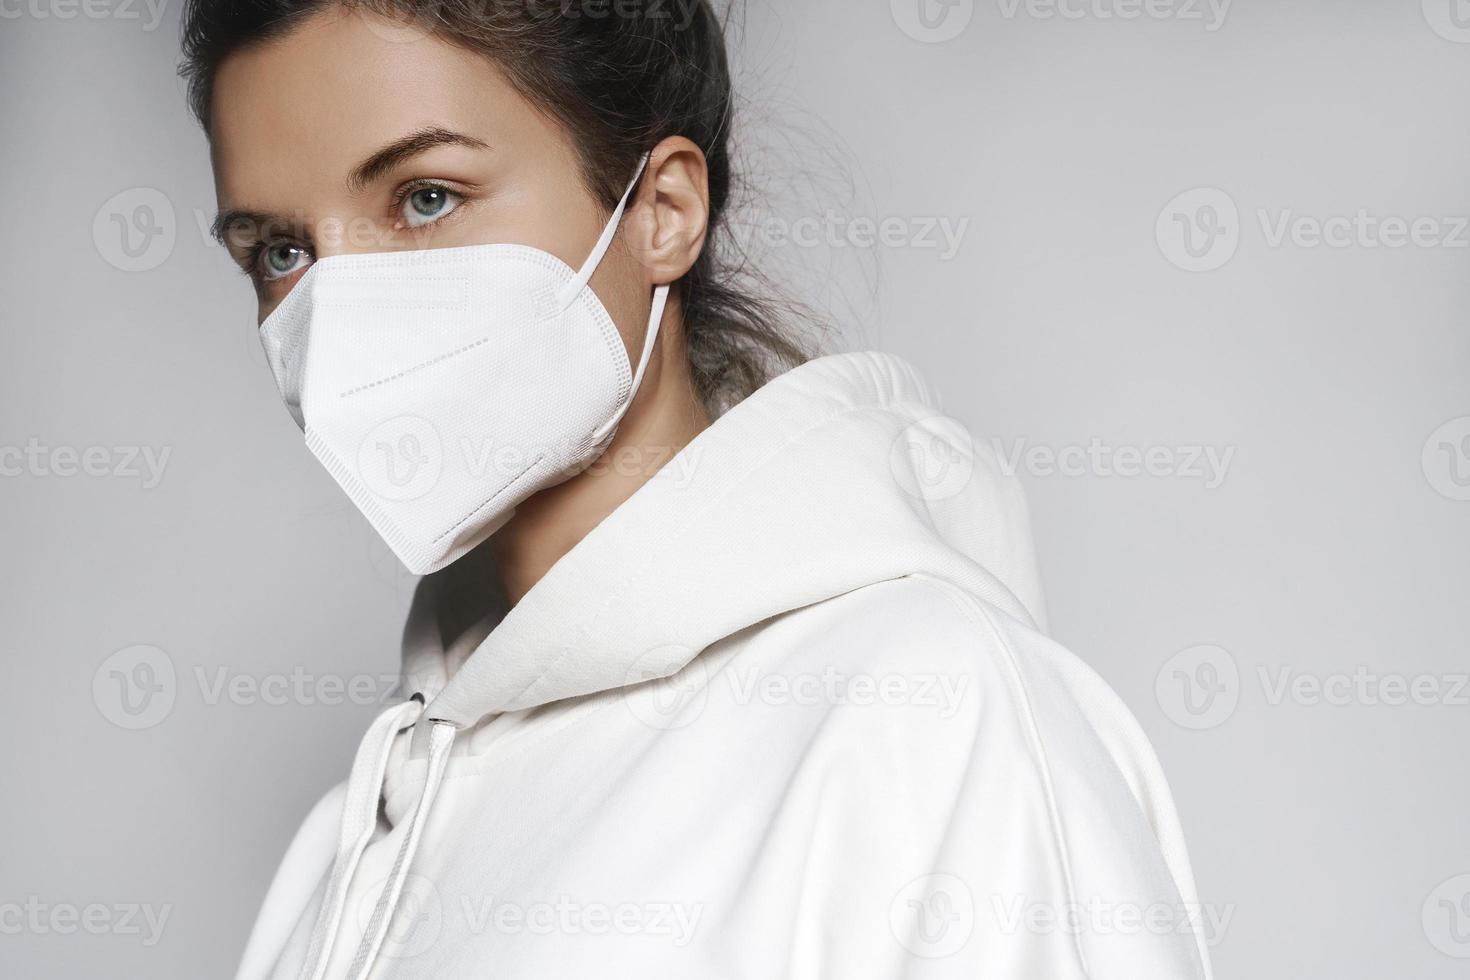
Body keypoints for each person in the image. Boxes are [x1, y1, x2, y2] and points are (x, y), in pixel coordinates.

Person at [181, 2, 1215, 977]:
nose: (342, 312)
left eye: (425, 198)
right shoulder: (361, 834)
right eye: (282, 251)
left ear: (662, 211)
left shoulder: (925, 716)